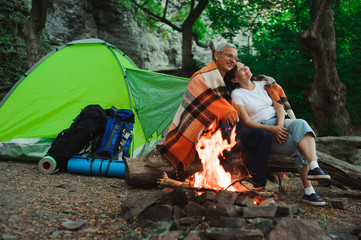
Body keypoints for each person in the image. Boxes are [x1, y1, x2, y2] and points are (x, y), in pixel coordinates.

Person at [157, 43, 272, 188]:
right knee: (224, 132)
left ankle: (257, 184)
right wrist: (228, 112)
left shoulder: (228, 80)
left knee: (263, 135)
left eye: (235, 58)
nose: (233, 60)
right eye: (229, 55)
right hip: (201, 129)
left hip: (228, 127)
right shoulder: (201, 77)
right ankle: (223, 183)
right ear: (217, 55)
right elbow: (205, 108)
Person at [223, 61, 331, 205]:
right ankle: (309, 192)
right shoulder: (237, 94)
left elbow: (279, 106)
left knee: (301, 123)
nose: (246, 68)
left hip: (280, 123)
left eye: (245, 66)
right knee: (300, 147)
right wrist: (272, 130)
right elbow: (246, 122)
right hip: (263, 131)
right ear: (234, 79)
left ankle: (314, 166)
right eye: (240, 69)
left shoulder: (263, 84)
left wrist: (279, 126)